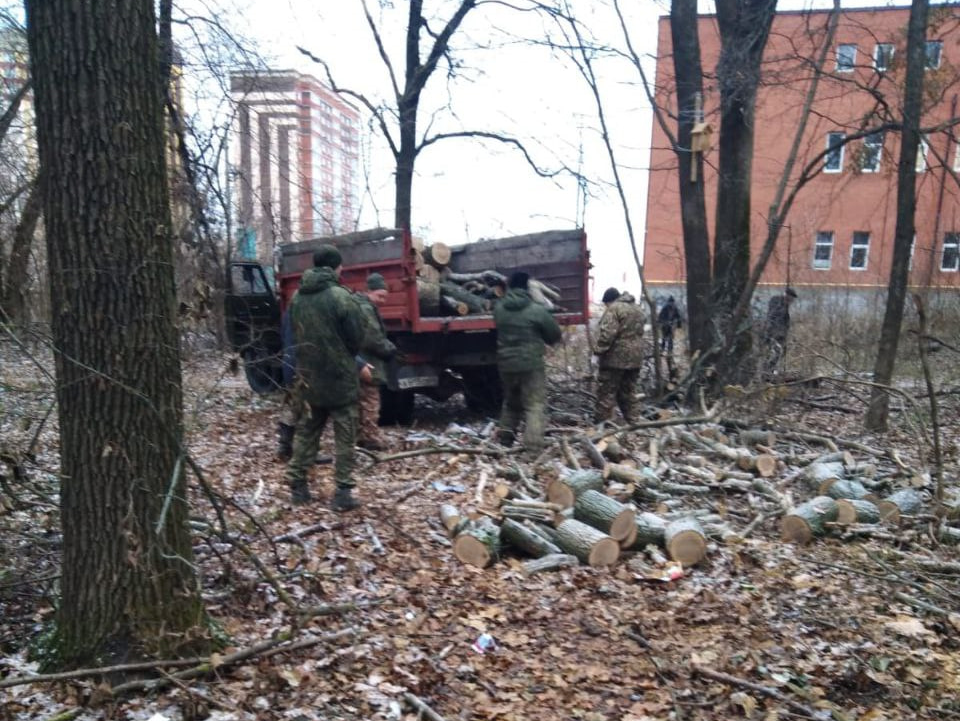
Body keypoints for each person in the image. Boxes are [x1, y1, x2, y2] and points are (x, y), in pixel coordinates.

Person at [285, 245, 366, 511]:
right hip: (339, 377)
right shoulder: (340, 297)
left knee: (308, 431)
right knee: (345, 434)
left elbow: (294, 333)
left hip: (309, 377)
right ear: (335, 267)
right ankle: (342, 493)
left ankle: (298, 486)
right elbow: (356, 338)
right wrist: (345, 357)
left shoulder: (297, 297)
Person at [493, 271, 562, 458]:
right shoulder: (536, 309)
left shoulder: (499, 308)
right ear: (527, 287)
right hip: (531, 365)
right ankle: (532, 451)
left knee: (511, 403)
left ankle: (504, 443)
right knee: (535, 405)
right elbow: (554, 334)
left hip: (506, 364)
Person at [355, 272, 397, 451]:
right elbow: (372, 338)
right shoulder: (365, 309)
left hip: (362, 359)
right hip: (368, 361)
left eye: (385, 297)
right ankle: (370, 438)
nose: (383, 300)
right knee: (370, 400)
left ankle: (363, 436)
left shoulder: (363, 306)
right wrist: (390, 349)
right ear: (369, 291)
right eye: (380, 296)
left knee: (362, 400)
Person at [594, 286, 645, 425]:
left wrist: (598, 352)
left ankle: (601, 427)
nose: (606, 307)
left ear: (609, 301)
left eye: (606, 304)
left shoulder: (614, 309)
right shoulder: (637, 308)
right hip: (636, 358)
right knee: (628, 392)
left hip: (615, 359)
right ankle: (635, 423)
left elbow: (607, 334)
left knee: (606, 393)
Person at [762, 287, 798, 375]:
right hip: (772, 333)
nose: (792, 301)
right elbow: (772, 316)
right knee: (774, 352)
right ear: (787, 296)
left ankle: (771, 370)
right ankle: (766, 371)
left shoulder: (786, 305)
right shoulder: (776, 301)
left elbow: (785, 322)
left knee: (782, 352)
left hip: (781, 334)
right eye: (791, 298)